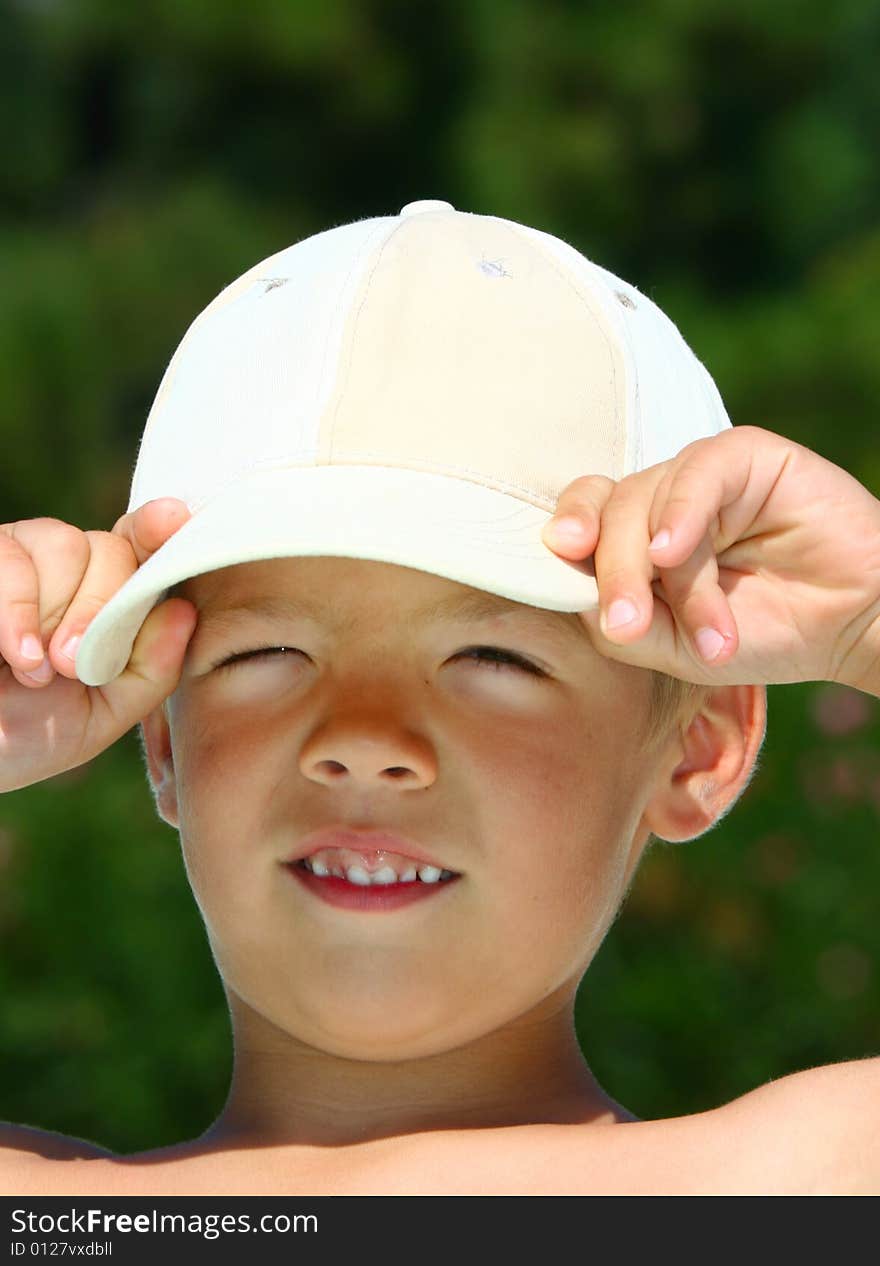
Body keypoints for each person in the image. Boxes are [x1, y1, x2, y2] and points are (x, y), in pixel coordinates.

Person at [1, 201, 878, 1196]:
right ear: (161, 735)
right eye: (271, 650)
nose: (365, 741)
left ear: (696, 745)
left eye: (493, 660)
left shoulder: (791, 1191)